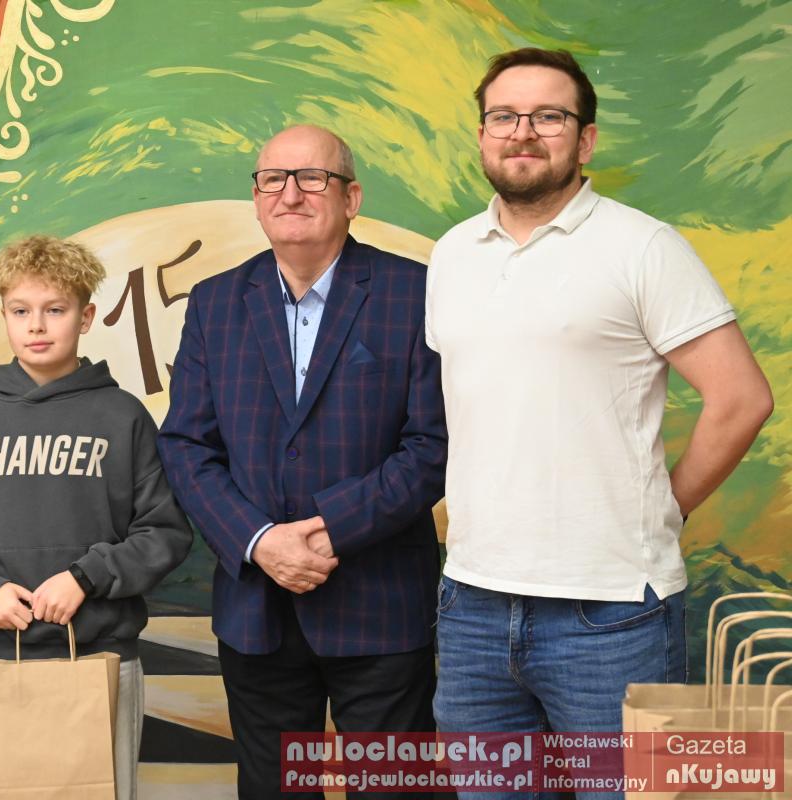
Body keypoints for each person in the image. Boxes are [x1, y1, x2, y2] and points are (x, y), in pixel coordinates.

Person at [426, 48, 774, 798]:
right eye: (503, 116)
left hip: (611, 612)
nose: (523, 132)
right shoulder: (452, 254)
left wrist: (668, 507)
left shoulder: (643, 247)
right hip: (472, 604)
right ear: (483, 135)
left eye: (548, 116)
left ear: (584, 140)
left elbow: (742, 398)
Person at [157, 124, 447, 799]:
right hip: (257, 611)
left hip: (381, 610)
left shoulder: (416, 293)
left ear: (351, 198)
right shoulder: (216, 302)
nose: (290, 194)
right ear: (257, 199)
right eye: (272, 180)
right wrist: (259, 541)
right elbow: (186, 445)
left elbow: (433, 444)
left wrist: (328, 530)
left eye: (312, 178)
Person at [0, 234, 193, 800]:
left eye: (55, 310)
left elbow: (164, 530)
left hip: (101, 653)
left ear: (86, 317)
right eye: (21, 311)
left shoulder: (122, 415)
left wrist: (85, 578)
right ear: (4, 316)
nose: (36, 326)